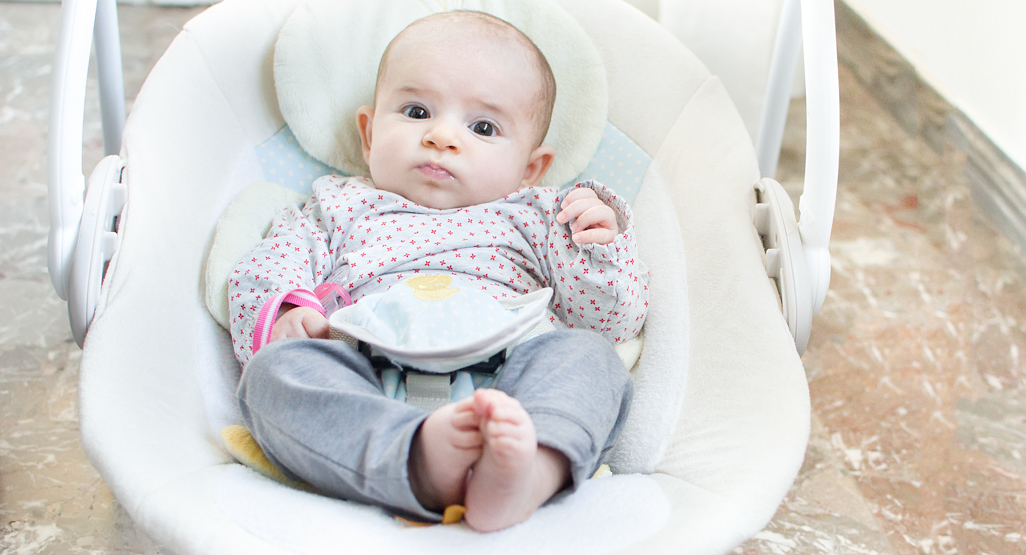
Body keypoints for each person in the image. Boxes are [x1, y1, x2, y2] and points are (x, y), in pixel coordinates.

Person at [228, 10, 648, 532]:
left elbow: (611, 322)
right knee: (273, 377)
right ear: (368, 132)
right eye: (416, 110)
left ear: (530, 168)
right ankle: (418, 462)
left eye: (482, 127)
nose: (442, 137)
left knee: (588, 358)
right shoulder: (337, 206)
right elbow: (265, 266)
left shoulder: (539, 215)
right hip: (365, 381)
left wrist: (598, 247)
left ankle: (531, 468)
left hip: (513, 381)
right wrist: (290, 308)